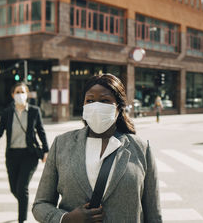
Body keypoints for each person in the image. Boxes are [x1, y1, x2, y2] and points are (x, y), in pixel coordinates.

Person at [32, 73, 162, 223]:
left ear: (118, 108)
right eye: (90, 100)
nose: (96, 106)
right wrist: (65, 218)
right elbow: (40, 204)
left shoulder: (142, 149)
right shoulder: (62, 144)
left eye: (105, 101)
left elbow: (154, 215)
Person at [0, 82, 49, 223]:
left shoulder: (34, 111)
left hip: (29, 155)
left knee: (22, 188)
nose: (20, 95)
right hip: (12, 155)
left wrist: (46, 150)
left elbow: (41, 131)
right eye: (17, 92)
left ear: (27, 94)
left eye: (23, 92)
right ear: (12, 95)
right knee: (14, 189)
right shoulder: (7, 112)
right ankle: (24, 202)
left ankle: (22, 220)